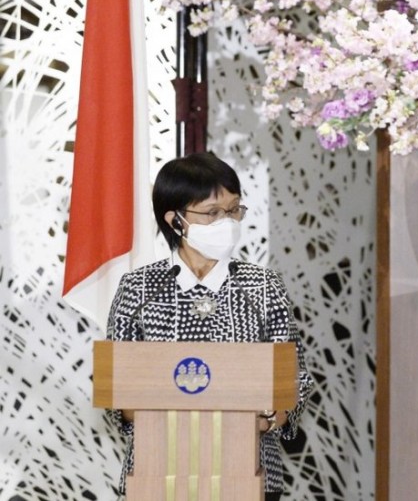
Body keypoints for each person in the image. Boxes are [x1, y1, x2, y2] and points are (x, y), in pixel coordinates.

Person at [106, 152, 315, 501]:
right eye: (213, 212)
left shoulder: (262, 286)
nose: (228, 221)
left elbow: (294, 379)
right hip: (156, 472)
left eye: (234, 210)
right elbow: (117, 385)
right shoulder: (138, 288)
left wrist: (265, 420)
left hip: (251, 472)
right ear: (175, 221)